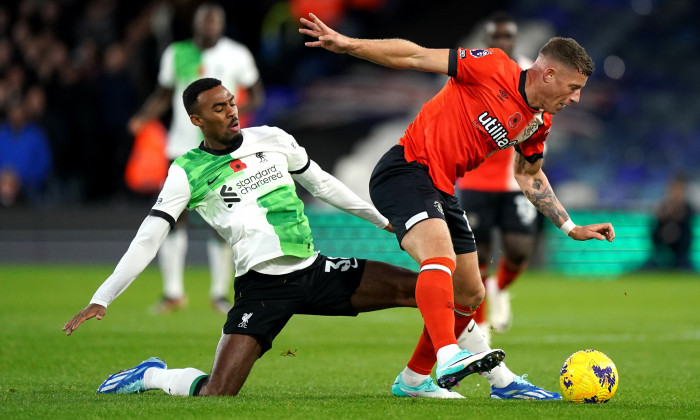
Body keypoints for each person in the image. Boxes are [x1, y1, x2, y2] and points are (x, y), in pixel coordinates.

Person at [63, 78, 503, 398]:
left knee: (433, 289)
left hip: (316, 270)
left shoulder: (271, 138)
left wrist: (381, 220)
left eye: (232, 103)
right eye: (218, 108)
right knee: (218, 394)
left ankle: (492, 378)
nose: (231, 111)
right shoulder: (185, 171)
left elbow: (323, 184)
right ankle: (152, 376)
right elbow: (149, 236)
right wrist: (103, 296)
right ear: (196, 120)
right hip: (262, 288)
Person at [300, 12, 615, 399]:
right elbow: (415, 57)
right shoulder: (492, 65)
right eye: (573, 86)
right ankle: (453, 356)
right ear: (548, 74)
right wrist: (349, 45)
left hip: (442, 189)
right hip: (406, 169)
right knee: (440, 257)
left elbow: (529, 175)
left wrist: (571, 227)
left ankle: (415, 380)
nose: (576, 97)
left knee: (470, 294)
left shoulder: (538, 122)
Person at [127, 3, 265, 315]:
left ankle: (219, 294)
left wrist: (233, 118)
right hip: (180, 148)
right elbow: (164, 93)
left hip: (220, 148)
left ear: (222, 24)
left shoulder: (237, 54)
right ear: (196, 24)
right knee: (173, 218)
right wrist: (143, 117)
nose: (210, 26)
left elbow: (256, 93)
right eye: (206, 21)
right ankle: (173, 292)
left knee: (223, 219)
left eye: (216, 21)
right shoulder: (177, 53)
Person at [455, 12, 536, 337]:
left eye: (507, 37)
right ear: (487, 40)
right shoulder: (472, 72)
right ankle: (482, 325)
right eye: (496, 37)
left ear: (513, 40)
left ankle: (500, 289)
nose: (501, 42)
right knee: (481, 254)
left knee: (519, 249)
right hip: (475, 179)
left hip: (515, 179)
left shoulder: (529, 72)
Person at [647, 173, 695, 270]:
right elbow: (654, 234)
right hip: (662, 252)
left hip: (681, 256)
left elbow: (686, 236)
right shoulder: (663, 208)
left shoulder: (687, 208)